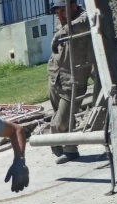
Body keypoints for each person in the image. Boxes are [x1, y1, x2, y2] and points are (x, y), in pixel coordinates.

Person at [48, 0, 94, 164]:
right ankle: (70, 149)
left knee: (61, 120)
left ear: (74, 6)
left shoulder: (85, 17)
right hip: (55, 75)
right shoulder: (60, 19)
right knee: (60, 115)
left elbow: (85, 23)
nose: (59, 16)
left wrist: (61, 33)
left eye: (63, 11)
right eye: (57, 13)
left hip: (74, 79)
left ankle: (55, 141)